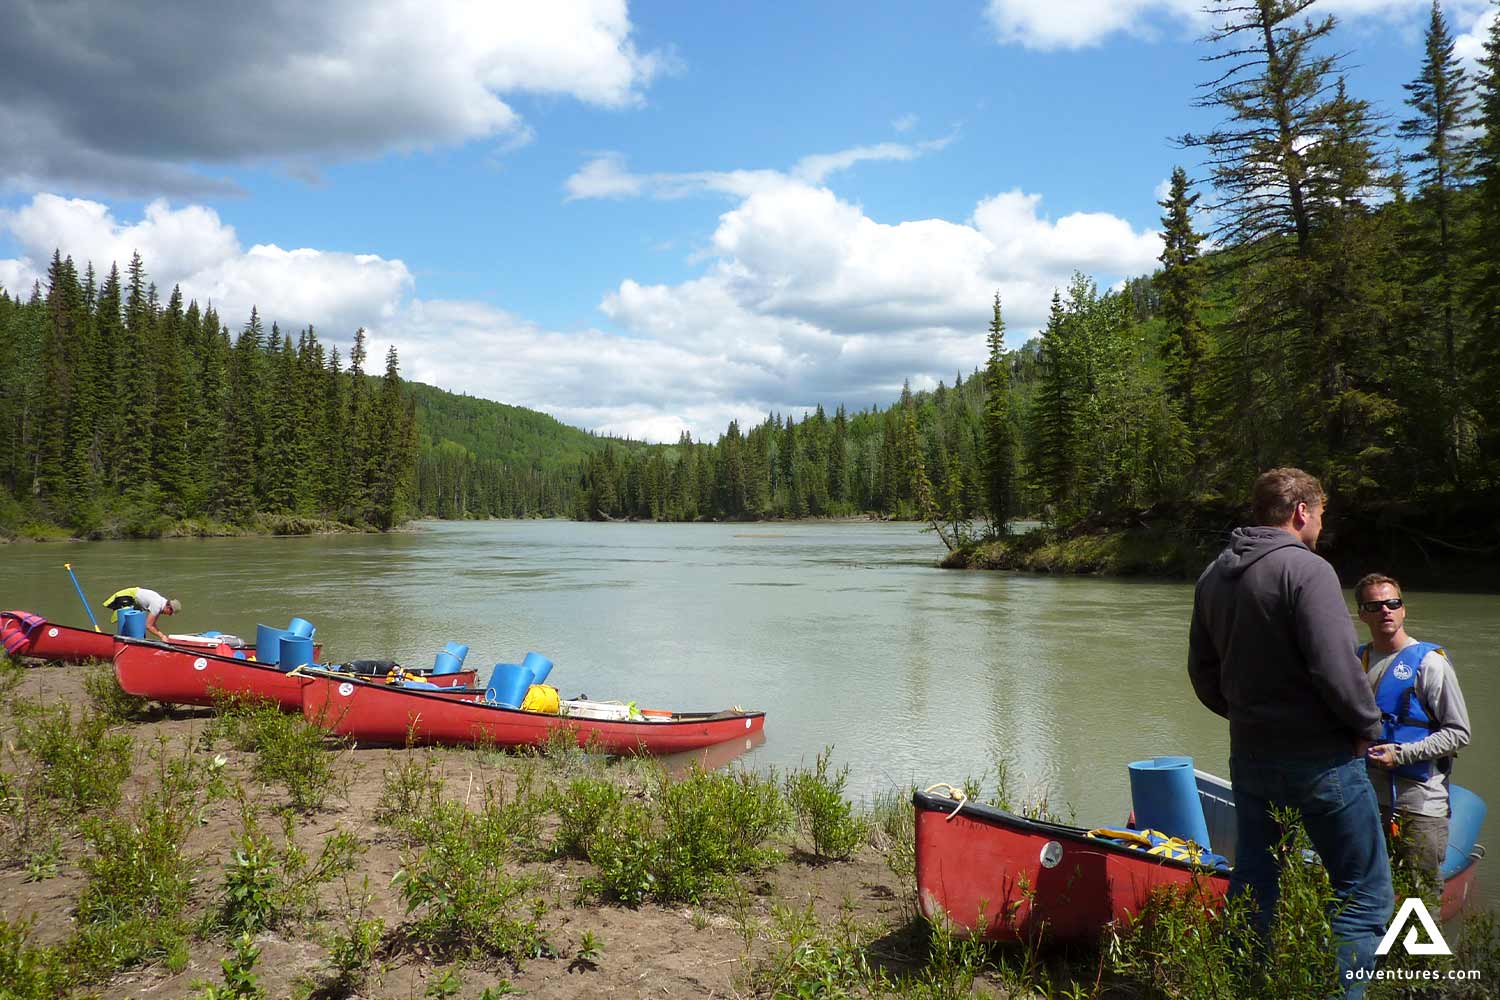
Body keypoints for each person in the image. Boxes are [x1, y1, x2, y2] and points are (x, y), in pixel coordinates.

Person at [1187, 468, 1392, 998]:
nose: (1321, 523)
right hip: (1322, 760)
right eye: (1321, 512)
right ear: (1302, 511)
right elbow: (1336, 668)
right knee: (1362, 894)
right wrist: (1366, 728)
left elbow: (1203, 674)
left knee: (1256, 882)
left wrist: (1247, 717)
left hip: (1252, 757)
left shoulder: (1214, 575)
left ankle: (1243, 987)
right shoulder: (1308, 570)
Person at [1355, 573, 1471, 892]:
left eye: (1393, 603)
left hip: (1419, 804)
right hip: (1366, 798)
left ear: (1403, 609)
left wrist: (1401, 754)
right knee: (1368, 895)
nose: (1385, 611)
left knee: (1418, 900)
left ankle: (1421, 945)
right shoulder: (1355, 662)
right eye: (1375, 606)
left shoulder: (1430, 664)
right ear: (1362, 614)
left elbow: (1459, 732)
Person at [103, 586, 181, 642]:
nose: (169, 615)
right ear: (168, 607)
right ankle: (121, 644)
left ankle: (134, 643)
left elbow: (152, 624)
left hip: (134, 600)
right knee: (126, 625)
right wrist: (162, 636)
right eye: (170, 613)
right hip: (126, 596)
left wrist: (161, 635)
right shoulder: (157, 605)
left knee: (136, 625)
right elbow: (149, 626)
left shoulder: (161, 603)